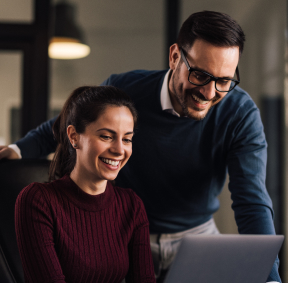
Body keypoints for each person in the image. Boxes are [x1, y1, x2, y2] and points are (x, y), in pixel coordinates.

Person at [1, 11, 281, 283]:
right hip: (125, 233)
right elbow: (73, 121)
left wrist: (269, 279)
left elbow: (252, 201)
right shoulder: (127, 89)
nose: (209, 93)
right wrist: (18, 150)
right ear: (174, 57)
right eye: (199, 75)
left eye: (223, 81)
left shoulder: (241, 114)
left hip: (196, 237)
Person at [14, 86, 156, 283]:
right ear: (74, 136)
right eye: (106, 136)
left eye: (127, 139)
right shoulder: (38, 201)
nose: (119, 150)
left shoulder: (131, 205)